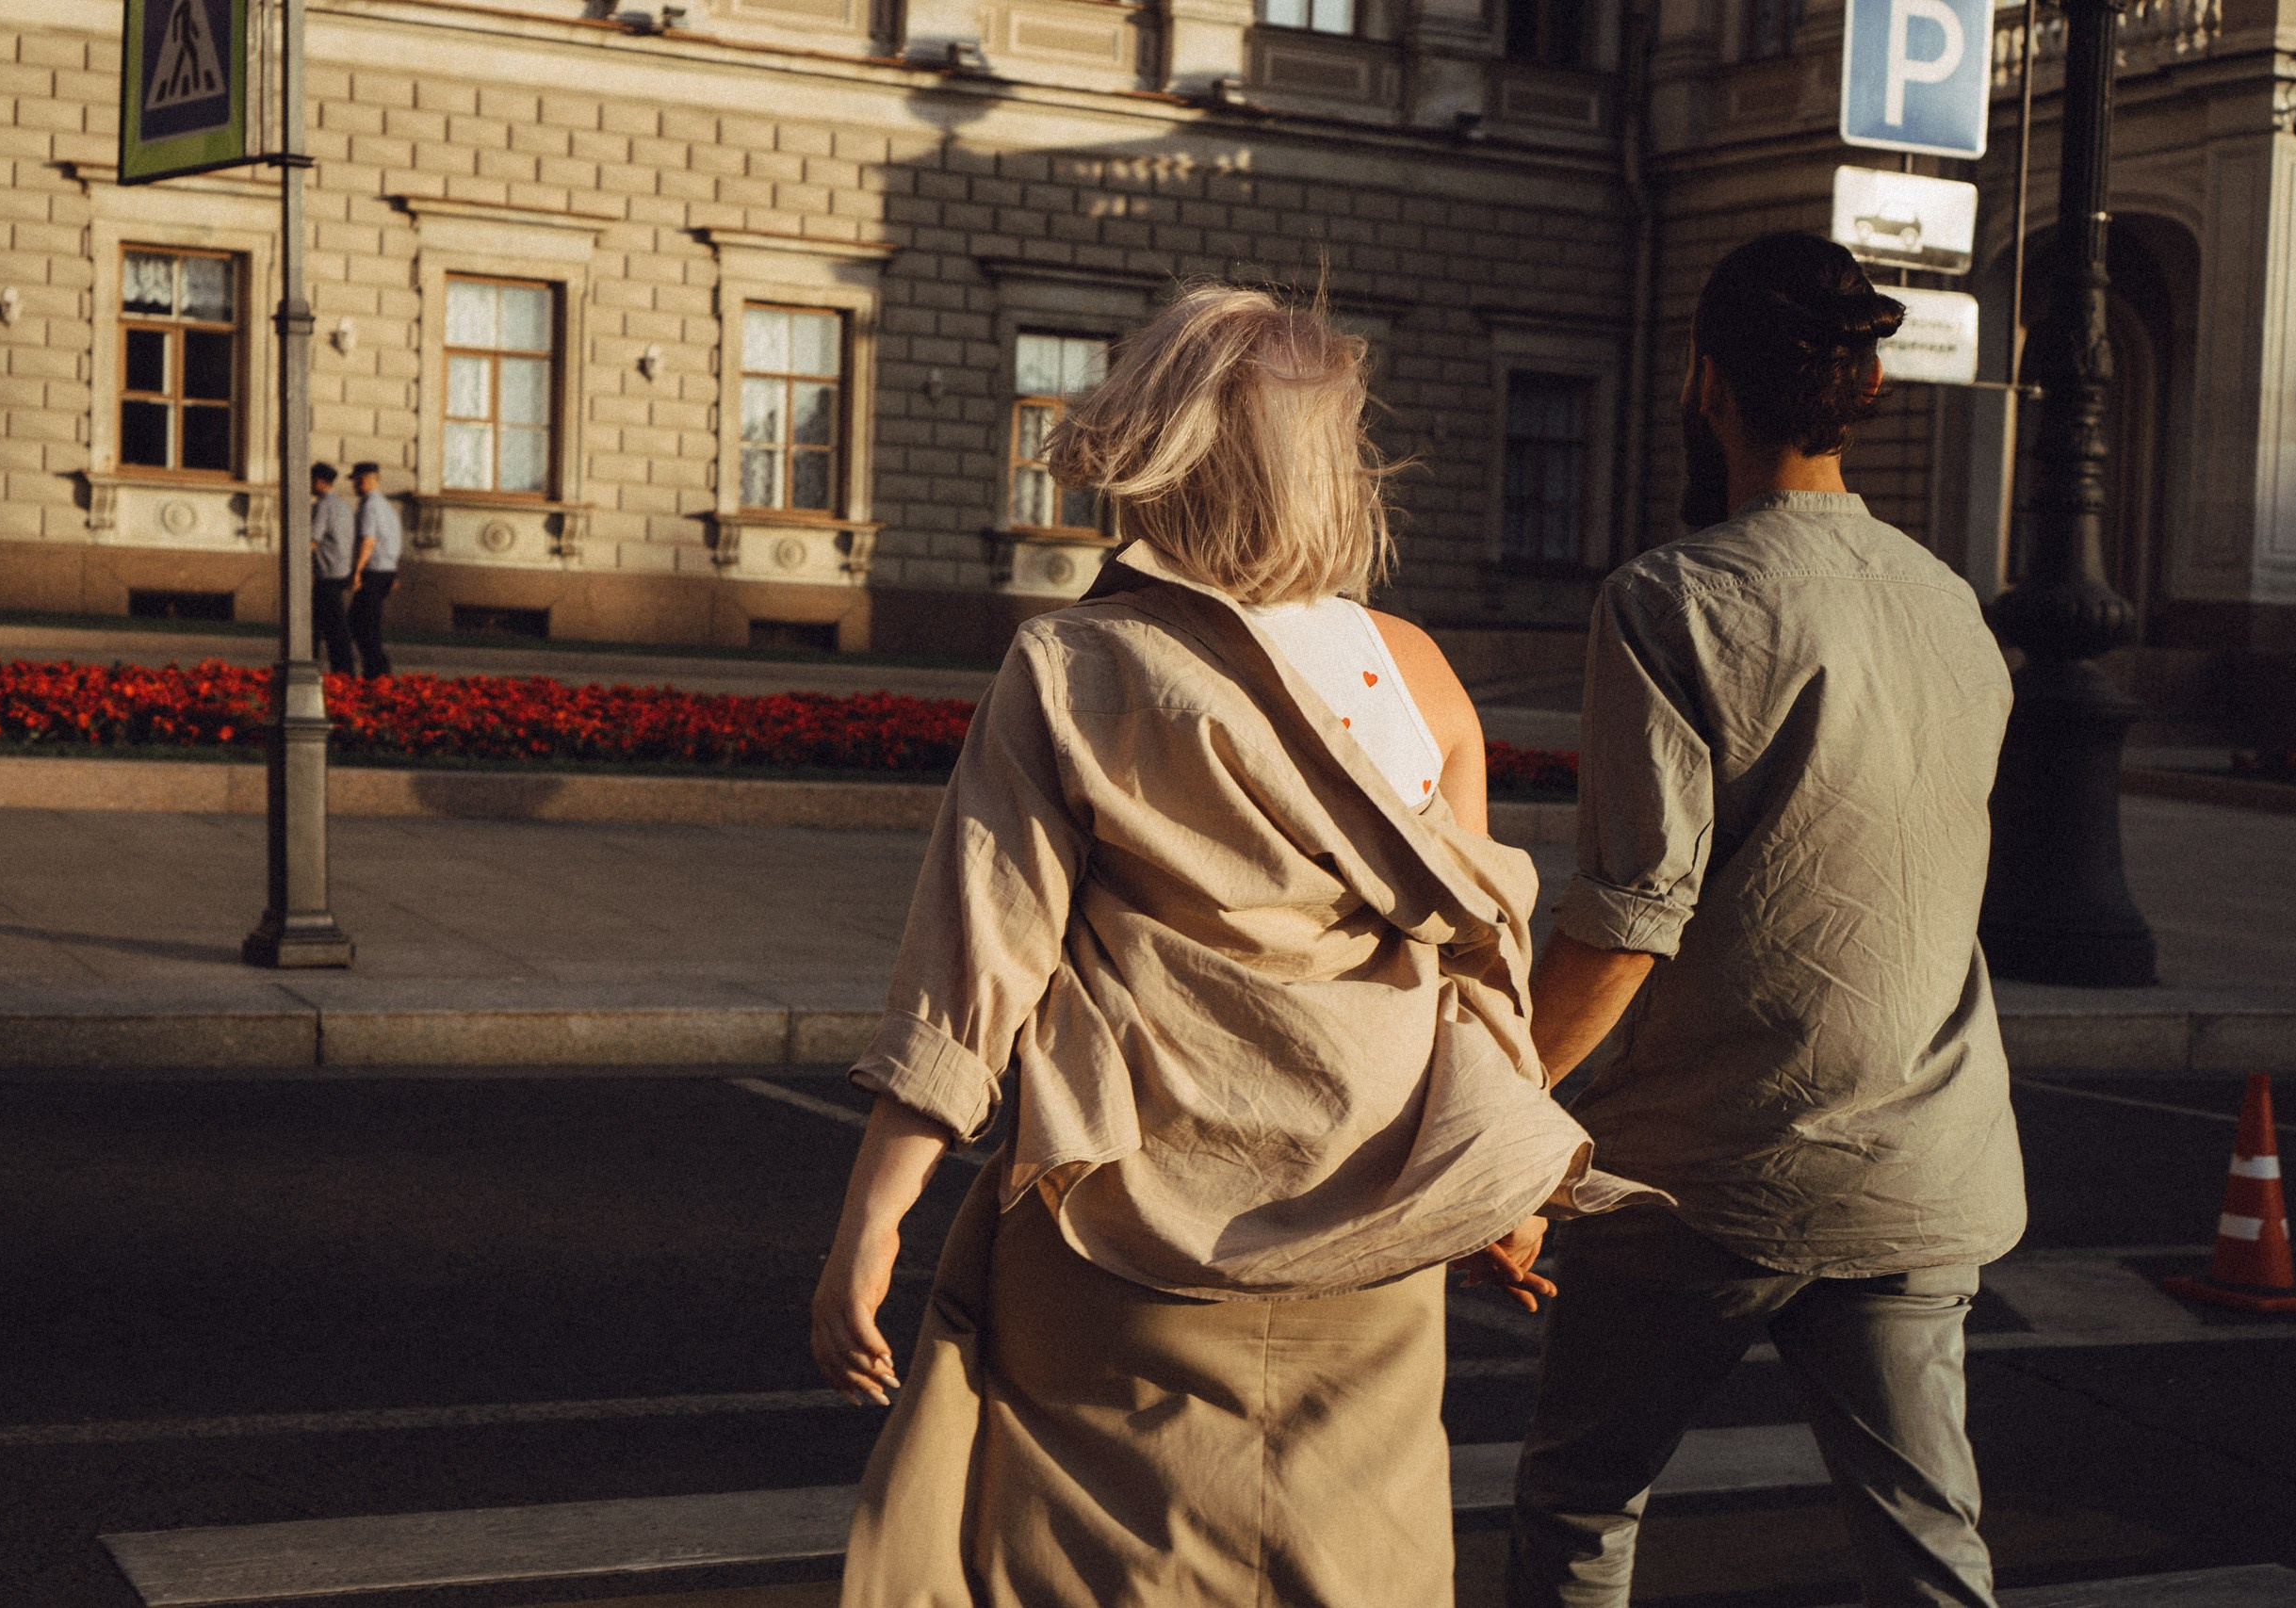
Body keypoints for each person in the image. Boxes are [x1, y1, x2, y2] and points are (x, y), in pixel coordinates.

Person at [813, 286, 1660, 1608]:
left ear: (1158, 450)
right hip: (1379, 1226)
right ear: (1333, 467)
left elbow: (976, 965)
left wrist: (873, 1218)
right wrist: (1499, 1183)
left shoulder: (1075, 664)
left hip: (1127, 1230)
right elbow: (1477, 979)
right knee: (1351, 1568)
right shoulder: (1421, 674)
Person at [1506, 232, 2025, 1608]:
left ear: (1706, 382)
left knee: (1580, 1506)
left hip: (1704, 1171)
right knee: (1930, 1550)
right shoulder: (1952, 606)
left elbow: (1631, 914)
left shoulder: (1669, 601)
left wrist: (1501, 1111)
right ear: (1865, 386)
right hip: (1919, 1158)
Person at [346, 462, 401, 679]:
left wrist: (357, 571)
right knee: (368, 623)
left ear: (365, 480)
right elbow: (393, 541)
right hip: (387, 570)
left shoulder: (369, 506)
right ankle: (377, 671)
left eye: (355, 481)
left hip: (373, 571)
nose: (354, 487)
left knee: (361, 624)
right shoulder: (387, 507)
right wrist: (393, 572)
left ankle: (377, 673)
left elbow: (368, 540)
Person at [308, 462, 357, 675]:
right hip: (341, 570)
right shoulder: (343, 505)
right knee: (317, 622)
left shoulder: (323, 506)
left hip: (327, 573)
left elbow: (313, 540)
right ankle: (312, 663)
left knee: (332, 626)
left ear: (319, 482)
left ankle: (343, 671)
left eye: (311, 481)